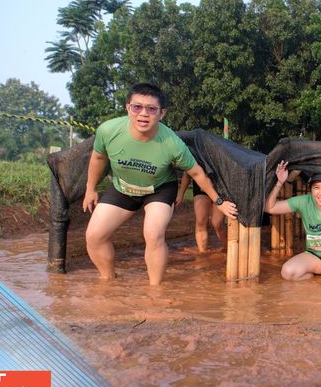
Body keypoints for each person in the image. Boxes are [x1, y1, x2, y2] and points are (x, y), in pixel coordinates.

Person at [82, 83, 238, 285]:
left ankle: (155, 290)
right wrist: (90, 189)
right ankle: (108, 281)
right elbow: (98, 158)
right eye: (137, 107)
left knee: (154, 233)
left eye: (151, 109)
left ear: (162, 113)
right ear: (128, 108)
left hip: (159, 190)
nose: (143, 114)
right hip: (123, 188)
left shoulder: (172, 143)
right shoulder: (108, 130)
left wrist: (219, 202)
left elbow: (197, 173)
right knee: (94, 236)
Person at [176, 172, 226, 252]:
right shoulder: (196, 162)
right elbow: (187, 174)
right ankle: (202, 252)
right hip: (200, 186)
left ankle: (227, 247)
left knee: (217, 223)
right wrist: (181, 194)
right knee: (201, 220)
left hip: (220, 187)